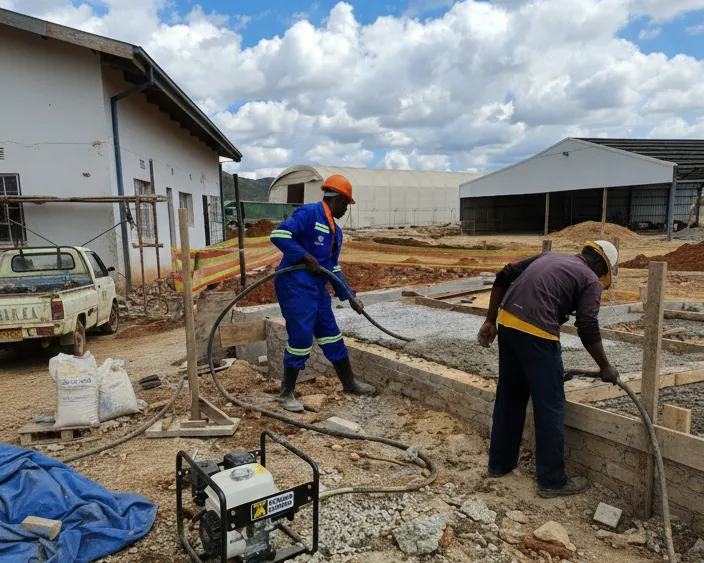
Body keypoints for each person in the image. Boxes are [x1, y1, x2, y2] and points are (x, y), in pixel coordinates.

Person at [478, 240, 620, 497]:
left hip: (508, 323)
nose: (599, 278)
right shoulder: (589, 278)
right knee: (551, 406)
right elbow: (587, 325)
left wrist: (490, 320)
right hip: (538, 332)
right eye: (602, 274)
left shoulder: (550, 257)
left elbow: (504, 275)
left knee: (510, 397)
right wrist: (605, 367)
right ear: (600, 265)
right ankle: (552, 481)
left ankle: (499, 464)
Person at [270, 174, 375, 412]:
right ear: (338, 199)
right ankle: (286, 394)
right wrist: (305, 257)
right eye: (346, 204)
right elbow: (279, 235)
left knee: (331, 334)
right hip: (294, 284)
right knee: (301, 338)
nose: (346, 210)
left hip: (316, 289)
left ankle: (349, 383)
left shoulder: (336, 233)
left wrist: (349, 297)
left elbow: (333, 269)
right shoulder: (308, 214)